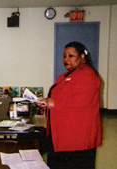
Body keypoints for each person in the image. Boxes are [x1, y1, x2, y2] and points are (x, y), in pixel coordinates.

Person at [39, 41, 103, 169]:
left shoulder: (87, 74)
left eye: (71, 56)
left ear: (82, 57)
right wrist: (47, 102)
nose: (66, 59)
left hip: (76, 138)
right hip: (62, 134)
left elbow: (82, 102)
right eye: (64, 56)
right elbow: (64, 96)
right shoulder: (67, 75)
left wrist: (53, 103)